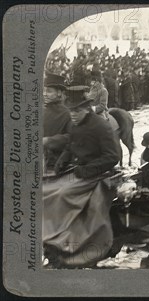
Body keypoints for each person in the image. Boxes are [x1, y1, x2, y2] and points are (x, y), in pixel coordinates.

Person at [43, 86, 121, 268]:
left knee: (61, 194)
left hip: (97, 174)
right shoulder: (77, 123)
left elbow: (112, 157)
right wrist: (63, 159)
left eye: (77, 111)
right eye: (71, 111)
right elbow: (71, 144)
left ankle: (65, 243)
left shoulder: (101, 126)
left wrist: (86, 170)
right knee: (46, 188)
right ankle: (50, 238)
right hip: (79, 170)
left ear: (87, 109)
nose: (73, 115)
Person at [42, 73, 72, 173]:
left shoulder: (67, 114)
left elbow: (72, 138)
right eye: (44, 91)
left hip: (57, 165)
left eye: (49, 91)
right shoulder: (39, 111)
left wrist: (48, 141)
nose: (44, 94)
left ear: (59, 93)